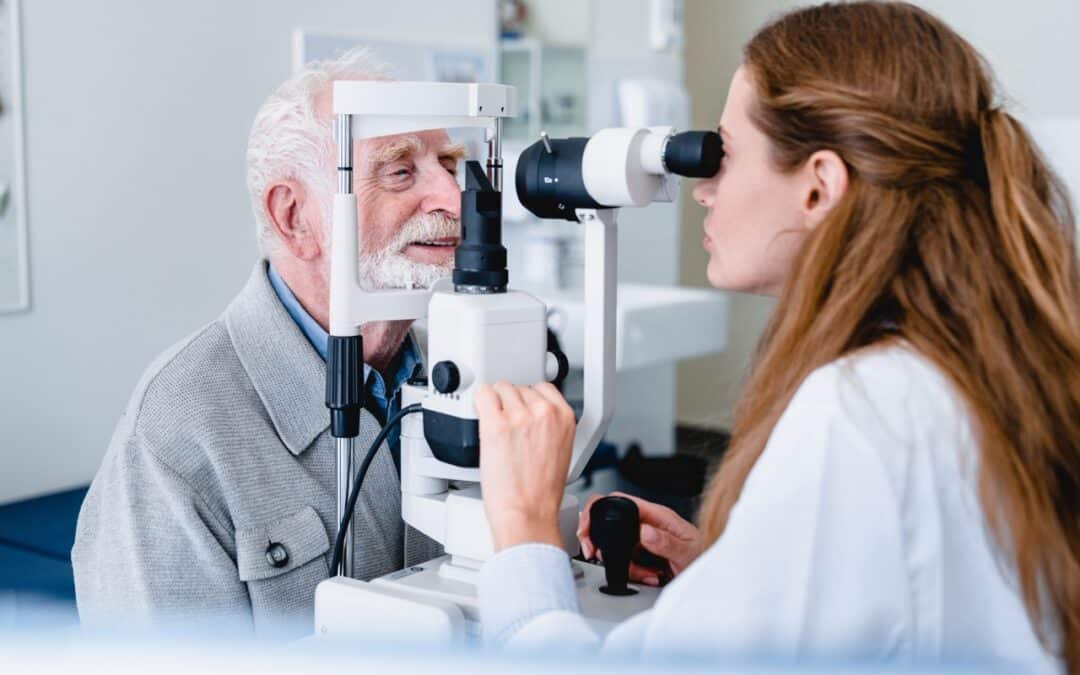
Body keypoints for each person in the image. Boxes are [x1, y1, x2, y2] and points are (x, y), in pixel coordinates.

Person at [474, 3, 1079, 672]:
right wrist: (731, 571)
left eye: (722, 154)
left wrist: (525, 530)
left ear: (819, 188)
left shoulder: (860, 413)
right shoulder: (975, 365)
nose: (703, 187)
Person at [72, 48, 464, 637]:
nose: (454, 201)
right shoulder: (178, 430)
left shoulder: (461, 370)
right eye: (400, 171)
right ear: (294, 217)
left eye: (451, 166)